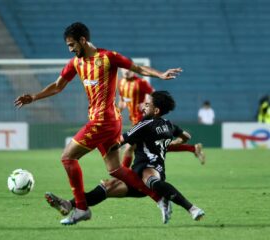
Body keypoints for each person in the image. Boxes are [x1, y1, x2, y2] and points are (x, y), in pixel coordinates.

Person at [14, 22, 182, 225]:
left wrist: (160, 74)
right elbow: (58, 86)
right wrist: (33, 97)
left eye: (72, 44)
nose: (70, 49)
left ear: (83, 40)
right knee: (115, 170)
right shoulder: (76, 63)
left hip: (104, 120)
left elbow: (136, 68)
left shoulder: (108, 57)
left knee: (67, 158)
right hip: (105, 120)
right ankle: (159, 198)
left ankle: (81, 209)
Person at [45, 91, 205, 224]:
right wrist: (174, 142)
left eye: (147, 104)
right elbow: (186, 136)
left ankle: (191, 208)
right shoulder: (170, 125)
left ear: (155, 110)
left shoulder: (144, 124)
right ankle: (70, 204)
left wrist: (97, 142)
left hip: (148, 170)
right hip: (138, 177)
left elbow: (120, 142)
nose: (143, 106)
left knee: (150, 179)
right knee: (106, 188)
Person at [118, 68, 205, 166]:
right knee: (152, 145)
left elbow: (154, 95)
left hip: (144, 118)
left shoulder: (141, 82)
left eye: (128, 69)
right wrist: (118, 112)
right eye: (124, 69)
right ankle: (193, 148)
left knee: (130, 147)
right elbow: (122, 101)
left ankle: (121, 178)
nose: (126, 71)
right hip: (134, 118)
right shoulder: (120, 83)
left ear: (133, 70)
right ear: (121, 70)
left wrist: (146, 102)